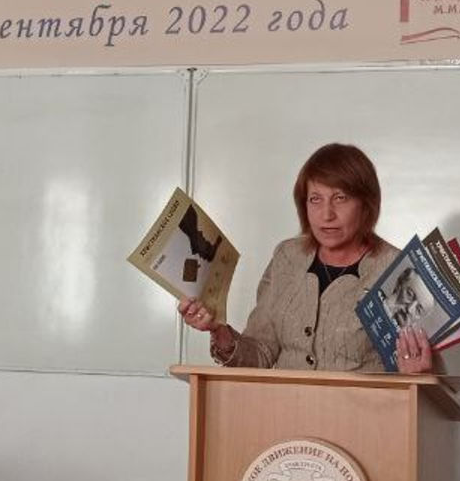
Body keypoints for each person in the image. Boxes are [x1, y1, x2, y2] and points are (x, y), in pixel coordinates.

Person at [177, 143, 436, 374]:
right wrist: (218, 330)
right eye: (315, 199)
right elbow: (261, 353)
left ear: (367, 203)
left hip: (362, 410)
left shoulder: (397, 268)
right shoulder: (287, 257)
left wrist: (414, 373)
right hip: (284, 408)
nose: (326, 214)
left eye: (340, 198)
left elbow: (419, 369)